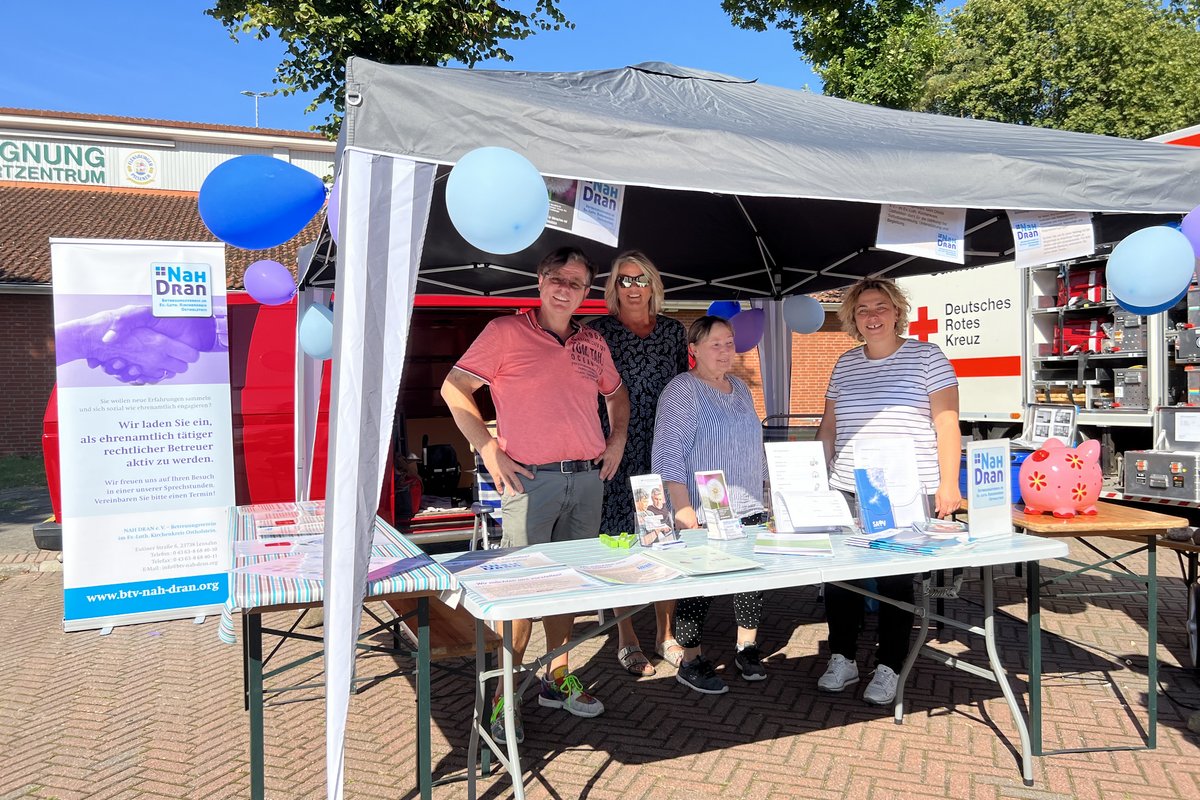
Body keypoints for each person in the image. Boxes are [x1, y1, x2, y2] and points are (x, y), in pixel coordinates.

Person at [441, 246, 630, 744]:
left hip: (587, 480)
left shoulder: (592, 343)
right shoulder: (505, 331)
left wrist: (617, 440)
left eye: (577, 281)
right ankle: (505, 694)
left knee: (569, 585)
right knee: (524, 592)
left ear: (587, 292)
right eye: (558, 277)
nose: (566, 287)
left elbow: (616, 394)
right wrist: (487, 447)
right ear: (541, 281)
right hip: (531, 482)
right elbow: (454, 390)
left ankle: (555, 676)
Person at [815, 277, 961, 705]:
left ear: (897, 311)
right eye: (862, 310)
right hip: (846, 486)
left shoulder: (927, 357)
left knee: (896, 581)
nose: (872, 316)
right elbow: (829, 430)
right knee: (840, 577)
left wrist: (949, 484)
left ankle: (889, 665)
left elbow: (947, 424)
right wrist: (808, 480)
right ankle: (842, 657)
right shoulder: (845, 364)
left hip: (903, 489)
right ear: (852, 319)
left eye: (880, 307)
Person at [651, 315, 769, 695]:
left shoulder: (741, 388)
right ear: (694, 349)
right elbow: (668, 456)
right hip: (704, 511)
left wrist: (769, 497)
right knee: (698, 589)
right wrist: (684, 513)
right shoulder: (681, 391)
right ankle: (691, 659)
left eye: (729, 342)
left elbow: (754, 447)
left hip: (749, 505)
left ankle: (746, 647)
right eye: (714, 343)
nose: (724, 350)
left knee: (752, 582)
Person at [587, 251, 688, 677]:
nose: (632, 287)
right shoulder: (596, 333)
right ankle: (626, 635)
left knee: (661, 536)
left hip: (661, 448)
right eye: (624, 280)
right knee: (617, 539)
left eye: (640, 279)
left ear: (653, 285)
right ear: (613, 287)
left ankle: (666, 634)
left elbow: (684, 389)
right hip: (614, 449)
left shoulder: (672, 332)